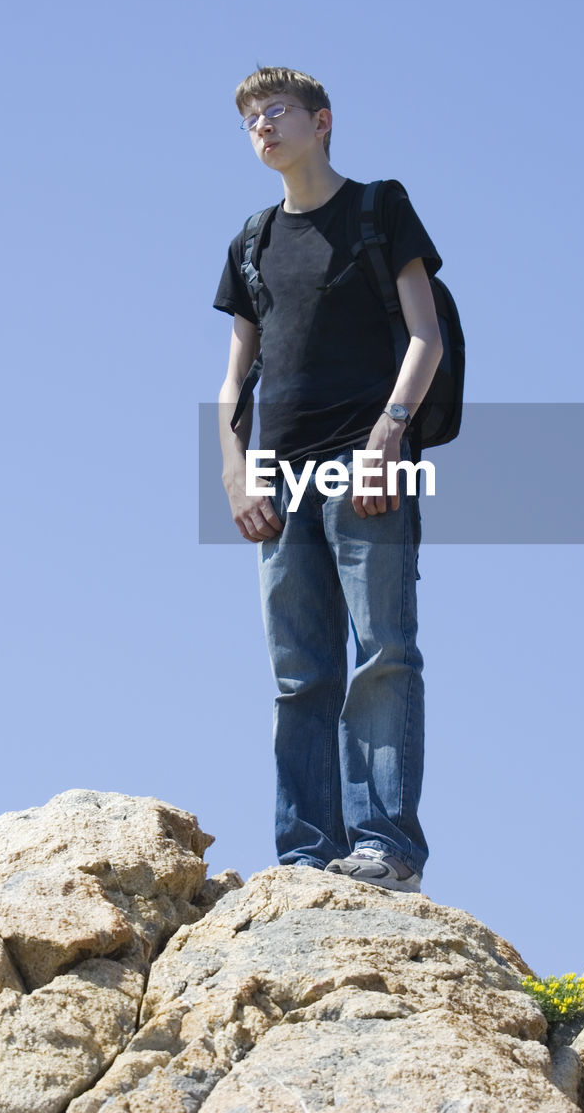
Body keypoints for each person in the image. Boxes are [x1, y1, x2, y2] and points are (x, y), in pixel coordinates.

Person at [214, 67, 442, 892]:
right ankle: (307, 854)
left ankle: (383, 847)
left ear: (323, 121)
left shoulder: (379, 209)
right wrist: (237, 475)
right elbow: (235, 377)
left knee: (382, 652)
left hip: (364, 456)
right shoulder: (251, 241)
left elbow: (425, 338)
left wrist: (388, 438)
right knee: (298, 672)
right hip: (277, 471)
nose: (262, 128)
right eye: (249, 121)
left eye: (276, 112)